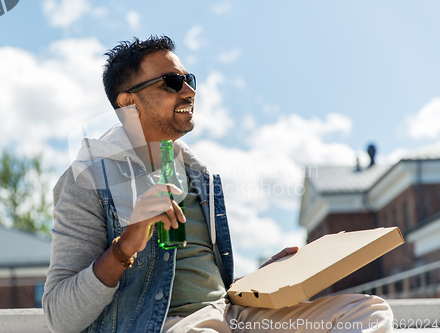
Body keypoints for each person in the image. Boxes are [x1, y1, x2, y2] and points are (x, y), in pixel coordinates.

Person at [42, 35, 393, 333]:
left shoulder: (199, 173)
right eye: (171, 82)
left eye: (189, 79)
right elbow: (60, 316)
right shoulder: (88, 180)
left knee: (368, 312)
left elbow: (207, 283)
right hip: (172, 324)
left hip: (232, 316)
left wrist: (262, 278)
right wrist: (126, 244)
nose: (189, 91)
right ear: (128, 101)